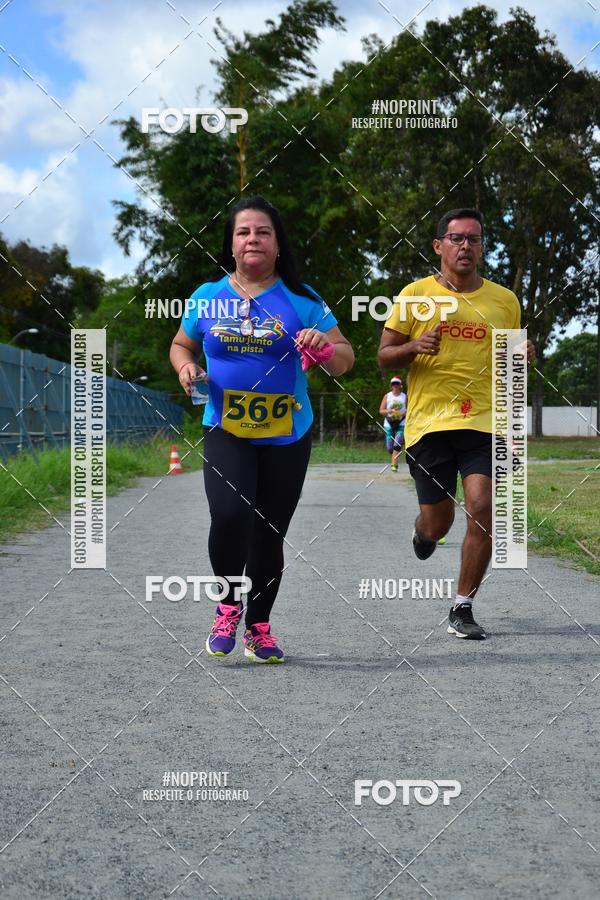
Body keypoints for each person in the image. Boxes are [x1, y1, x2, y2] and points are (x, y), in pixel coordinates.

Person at [170, 195, 354, 663]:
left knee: (269, 532)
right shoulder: (207, 296)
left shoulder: (303, 299)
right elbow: (180, 344)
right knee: (230, 516)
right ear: (231, 244)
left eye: (263, 232)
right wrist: (186, 366)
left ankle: (259, 627)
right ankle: (228, 606)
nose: (253, 239)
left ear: (277, 244)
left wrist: (324, 348)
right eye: (243, 232)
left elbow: (346, 359)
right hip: (225, 426)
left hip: (287, 433)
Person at [377, 208, 534, 640]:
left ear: (482, 247)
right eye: (457, 238)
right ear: (439, 246)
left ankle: (462, 606)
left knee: (481, 507)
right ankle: (424, 533)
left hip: (485, 421)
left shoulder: (504, 301)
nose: (466, 246)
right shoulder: (415, 294)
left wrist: (521, 357)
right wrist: (414, 346)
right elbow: (384, 356)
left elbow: (511, 364)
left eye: (475, 239)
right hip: (429, 424)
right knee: (439, 522)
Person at [379, 375, 407, 471]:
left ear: (400, 385)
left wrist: (402, 413)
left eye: (397, 383)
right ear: (391, 385)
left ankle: (394, 465)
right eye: (393, 384)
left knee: (397, 443)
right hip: (389, 423)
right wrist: (389, 411)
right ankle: (395, 459)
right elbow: (381, 410)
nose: (395, 385)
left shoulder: (405, 397)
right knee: (390, 448)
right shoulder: (387, 396)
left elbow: (410, 409)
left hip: (401, 422)